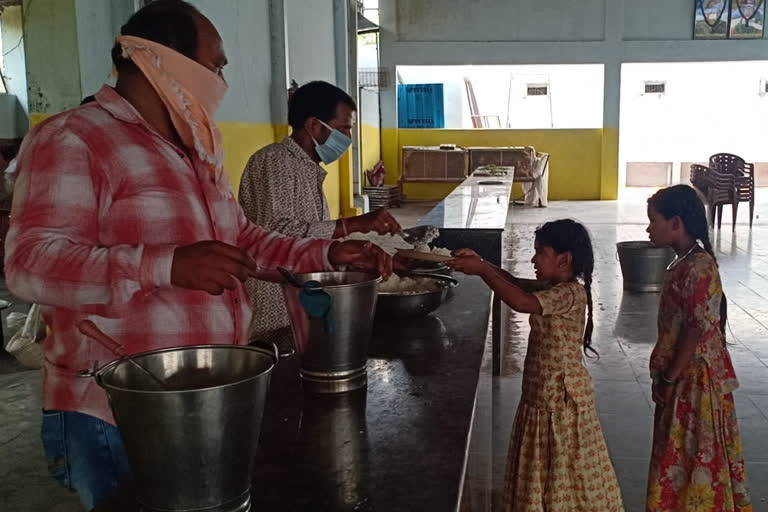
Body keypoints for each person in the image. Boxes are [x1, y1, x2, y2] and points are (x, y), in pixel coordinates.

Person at [4, 1, 391, 510]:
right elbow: (29, 264)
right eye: (217, 64)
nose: (222, 79)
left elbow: (244, 240)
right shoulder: (74, 138)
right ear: (161, 59)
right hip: (112, 410)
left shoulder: (197, 151)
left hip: (200, 395)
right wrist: (163, 264)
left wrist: (326, 249)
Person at [449, 219, 624, 511]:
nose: (533, 258)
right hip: (543, 397)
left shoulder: (569, 293)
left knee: (563, 462)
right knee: (546, 461)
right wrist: (481, 264)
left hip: (560, 401)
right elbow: (514, 283)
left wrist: (481, 270)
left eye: (540, 252)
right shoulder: (551, 285)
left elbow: (521, 301)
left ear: (564, 259)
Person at [238, 80, 401, 348]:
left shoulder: (307, 168)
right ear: (314, 126)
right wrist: (353, 224)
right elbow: (277, 233)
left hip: (302, 301)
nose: (348, 139)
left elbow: (309, 233)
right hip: (276, 309)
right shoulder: (275, 161)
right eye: (343, 129)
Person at [645, 185, 751, 512]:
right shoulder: (685, 263)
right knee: (683, 453)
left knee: (696, 453)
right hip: (683, 378)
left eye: (654, 221)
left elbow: (695, 328)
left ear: (675, 223)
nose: (648, 228)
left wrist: (669, 378)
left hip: (695, 383)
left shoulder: (699, 267)